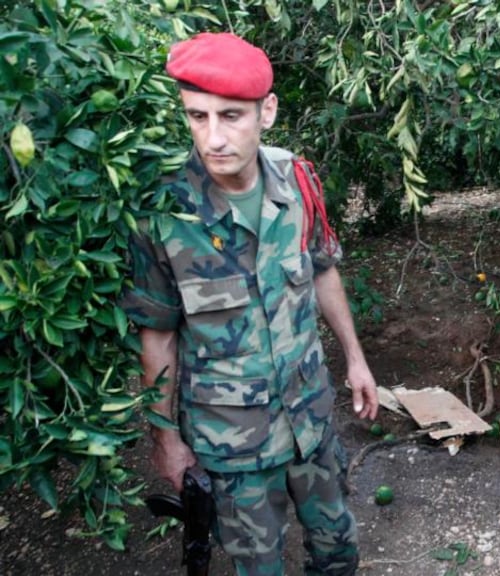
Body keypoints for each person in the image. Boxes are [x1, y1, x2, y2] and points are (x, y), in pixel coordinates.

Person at [121, 32, 379, 576]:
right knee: (256, 567)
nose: (212, 138)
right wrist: (165, 440)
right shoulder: (164, 215)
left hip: (310, 417)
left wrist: (355, 358)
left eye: (230, 116)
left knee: (338, 551)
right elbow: (158, 333)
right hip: (232, 442)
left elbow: (323, 270)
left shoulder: (297, 180)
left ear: (267, 111)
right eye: (197, 117)